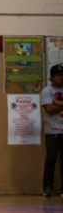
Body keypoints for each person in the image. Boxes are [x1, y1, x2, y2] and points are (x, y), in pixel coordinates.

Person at [40, 64, 63, 197]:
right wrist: (57, 105)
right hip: (52, 131)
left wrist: (58, 103)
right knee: (51, 159)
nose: (60, 78)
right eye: (58, 75)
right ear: (51, 77)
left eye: (62, 75)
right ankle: (47, 187)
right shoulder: (47, 91)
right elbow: (48, 109)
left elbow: (53, 105)